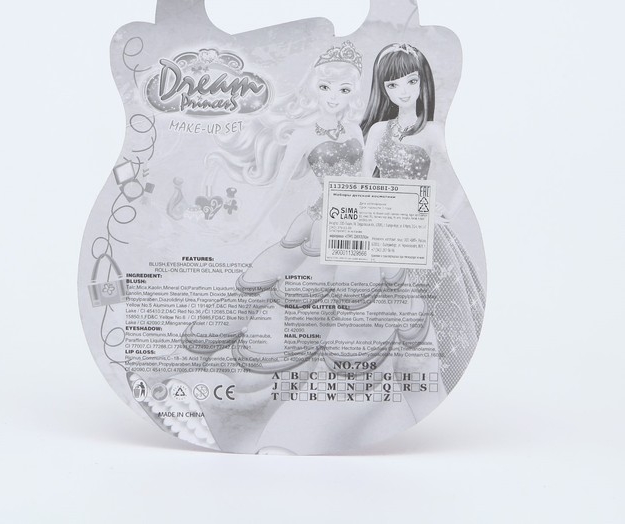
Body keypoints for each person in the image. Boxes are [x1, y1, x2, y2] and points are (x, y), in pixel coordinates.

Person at [182, 41, 366, 369]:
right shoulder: (304, 135)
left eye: (344, 89)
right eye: (325, 87)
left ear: (353, 93)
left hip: (359, 218)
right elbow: (277, 189)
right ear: (314, 87)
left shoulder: (355, 129)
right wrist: (247, 229)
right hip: (323, 219)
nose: (333, 97)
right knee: (285, 282)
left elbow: (366, 181)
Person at [360, 43, 485, 393]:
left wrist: (446, 209)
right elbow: (363, 180)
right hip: (385, 228)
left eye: (410, 81)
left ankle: (434, 380)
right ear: (383, 88)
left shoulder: (431, 131)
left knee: (434, 304)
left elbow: (469, 175)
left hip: (425, 231)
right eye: (393, 84)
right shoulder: (378, 130)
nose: (403, 91)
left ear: (422, 83)